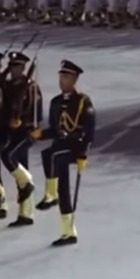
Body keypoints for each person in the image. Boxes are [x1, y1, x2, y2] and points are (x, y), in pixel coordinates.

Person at [32, 60, 95, 247]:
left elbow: (89, 130)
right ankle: (67, 230)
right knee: (48, 154)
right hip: (61, 146)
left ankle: (52, 195)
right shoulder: (56, 102)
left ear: (74, 79)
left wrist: (83, 153)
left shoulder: (83, 101)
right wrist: (41, 134)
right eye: (61, 76)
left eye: (66, 77)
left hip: (75, 146)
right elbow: (55, 130)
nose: (62, 80)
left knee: (55, 157)